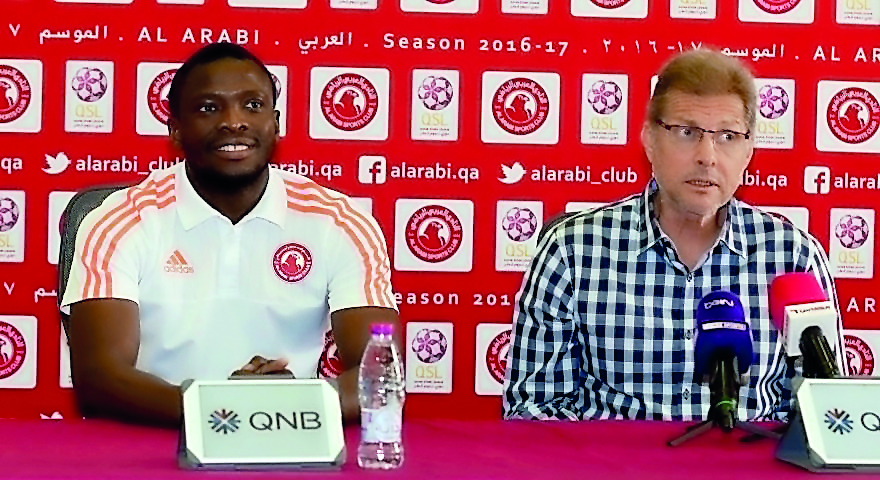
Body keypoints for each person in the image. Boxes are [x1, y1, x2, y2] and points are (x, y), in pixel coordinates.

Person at [60, 43, 399, 427]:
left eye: (252, 105)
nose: (233, 121)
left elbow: (380, 373)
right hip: (154, 441)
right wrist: (226, 409)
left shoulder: (339, 221)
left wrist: (289, 409)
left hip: (290, 438)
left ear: (276, 123)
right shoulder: (120, 220)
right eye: (208, 108)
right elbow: (100, 379)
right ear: (175, 129)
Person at [503, 49, 841, 421]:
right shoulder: (571, 251)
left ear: (749, 151)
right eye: (686, 132)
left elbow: (827, 416)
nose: (707, 156)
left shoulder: (793, 257)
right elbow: (532, 410)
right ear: (649, 139)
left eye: (728, 136)